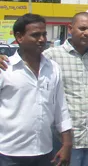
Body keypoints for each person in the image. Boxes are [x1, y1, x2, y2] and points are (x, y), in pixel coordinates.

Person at [0, 14, 72, 166]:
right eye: (35, 35)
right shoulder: (5, 68)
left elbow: (61, 108)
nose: (42, 39)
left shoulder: (53, 68)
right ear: (19, 37)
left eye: (44, 34)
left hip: (44, 152)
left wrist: (67, 143)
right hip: (8, 153)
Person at [43, 12, 88, 166]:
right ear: (70, 29)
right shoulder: (51, 56)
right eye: (82, 28)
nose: (87, 33)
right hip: (63, 142)